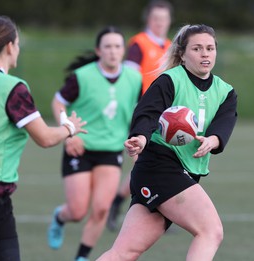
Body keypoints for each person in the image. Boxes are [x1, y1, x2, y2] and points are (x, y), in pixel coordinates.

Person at [0, 16, 87, 261]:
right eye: (18, 44)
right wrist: (69, 128)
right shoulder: (13, 88)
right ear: (10, 47)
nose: (18, 49)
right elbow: (45, 138)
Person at [97, 24, 238, 261]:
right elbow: (147, 113)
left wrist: (212, 140)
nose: (205, 54)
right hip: (160, 167)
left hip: (181, 172)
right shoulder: (170, 80)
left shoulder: (225, 92)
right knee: (210, 231)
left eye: (210, 48)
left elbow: (224, 124)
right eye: (197, 48)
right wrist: (141, 137)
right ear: (182, 54)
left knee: (124, 253)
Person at [46, 26, 142, 261]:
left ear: (124, 51)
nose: (113, 51)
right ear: (99, 50)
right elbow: (58, 104)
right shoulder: (82, 76)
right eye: (107, 46)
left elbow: (139, 113)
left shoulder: (135, 78)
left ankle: (82, 257)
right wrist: (70, 133)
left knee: (101, 209)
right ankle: (60, 217)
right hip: (80, 148)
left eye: (118, 46)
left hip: (110, 151)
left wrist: (138, 140)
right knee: (78, 211)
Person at [107, 0, 173, 231]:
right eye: (156, 19)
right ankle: (121, 207)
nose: (160, 23)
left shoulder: (170, 46)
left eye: (164, 19)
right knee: (143, 165)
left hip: (167, 118)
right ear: (148, 20)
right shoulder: (138, 44)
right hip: (143, 113)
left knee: (159, 164)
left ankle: (159, 210)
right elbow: (129, 79)